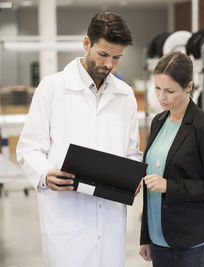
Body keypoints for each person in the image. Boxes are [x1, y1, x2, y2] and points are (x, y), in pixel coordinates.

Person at [16, 12, 142, 267]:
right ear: (87, 44)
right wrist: (45, 174)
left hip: (109, 215)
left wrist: (134, 176)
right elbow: (29, 148)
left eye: (117, 57)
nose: (109, 64)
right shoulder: (52, 88)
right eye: (103, 54)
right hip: (66, 214)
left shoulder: (125, 95)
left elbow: (132, 151)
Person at [138, 51, 204, 267]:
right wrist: (146, 236)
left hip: (194, 240)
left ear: (189, 86)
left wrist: (170, 186)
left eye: (170, 91)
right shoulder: (158, 121)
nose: (161, 97)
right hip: (159, 239)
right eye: (157, 88)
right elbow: (151, 181)